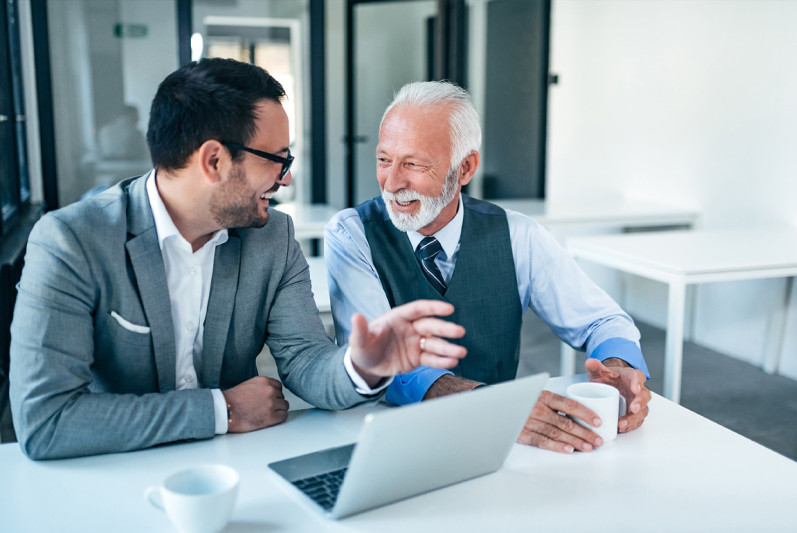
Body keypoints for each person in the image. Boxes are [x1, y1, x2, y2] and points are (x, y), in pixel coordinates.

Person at [9, 59, 467, 460]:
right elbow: (46, 418)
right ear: (214, 161)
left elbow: (305, 359)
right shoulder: (71, 241)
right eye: (278, 160)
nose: (285, 180)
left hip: (236, 471)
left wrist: (361, 366)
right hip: (110, 476)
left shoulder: (272, 237)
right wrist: (219, 410)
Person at [325, 81, 652, 454]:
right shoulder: (351, 234)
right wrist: (494, 407)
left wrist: (618, 366)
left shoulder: (518, 235)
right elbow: (376, 359)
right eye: (384, 160)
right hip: (388, 439)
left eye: (413, 164)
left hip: (498, 446)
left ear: (464, 168)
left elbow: (603, 320)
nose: (393, 182)